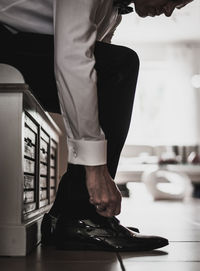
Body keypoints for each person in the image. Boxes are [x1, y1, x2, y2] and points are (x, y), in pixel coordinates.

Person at [0, 0, 192, 251]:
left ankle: (75, 216)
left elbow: (93, 71)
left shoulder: (113, 12)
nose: (168, 11)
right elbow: (74, 57)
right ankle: (81, 217)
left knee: (113, 68)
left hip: (19, 41)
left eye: (178, 7)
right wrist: (95, 168)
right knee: (120, 65)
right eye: (174, 0)